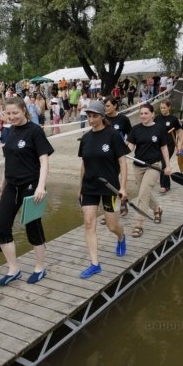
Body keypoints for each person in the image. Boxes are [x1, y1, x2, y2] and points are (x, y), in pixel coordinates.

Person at [0, 97, 54, 286]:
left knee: (32, 226)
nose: (12, 117)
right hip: (11, 184)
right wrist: (0, 188)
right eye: (8, 113)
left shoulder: (35, 131)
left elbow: (44, 160)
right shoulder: (7, 133)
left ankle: (40, 267)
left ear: (24, 110)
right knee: (1, 227)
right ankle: (13, 269)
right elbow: (9, 163)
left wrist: (41, 186)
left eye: (15, 113)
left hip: (31, 185)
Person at [78, 101, 130, 278]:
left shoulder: (113, 135)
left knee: (111, 225)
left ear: (102, 116)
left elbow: (123, 162)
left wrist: (123, 187)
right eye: (89, 116)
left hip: (110, 188)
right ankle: (95, 264)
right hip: (90, 186)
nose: (91, 120)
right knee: (89, 223)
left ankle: (121, 237)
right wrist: (80, 188)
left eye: (94, 116)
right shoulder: (85, 138)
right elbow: (84, 165)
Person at [126, 103, 171, 238]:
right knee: (143, 192)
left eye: (146, 113)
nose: (143, 116)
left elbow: (164, 148)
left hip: (154, 165)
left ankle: (138, 225)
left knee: (143, 194)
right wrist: (118, 150)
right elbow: (130, 148)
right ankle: (157, 209)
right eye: (141, 114)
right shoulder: (135, 129)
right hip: (138, 166)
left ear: (152, 114)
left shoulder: (159, 129)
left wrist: (167, 166)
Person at [104, 96, 132, 217]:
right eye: (105, 106)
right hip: (106, 154)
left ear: (115, 106)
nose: (106, 108)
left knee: (118, 180)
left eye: (108, 105)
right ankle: (110, 211)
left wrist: (127, 144)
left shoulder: (123, 119)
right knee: (109, 180)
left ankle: (123, 203)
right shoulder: (103, 118)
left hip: (119, 154)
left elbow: (131, 134)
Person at [154, 100, 183, 193]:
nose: (162, 110)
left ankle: (164, 185)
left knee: (164, 163)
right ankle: (167, 184)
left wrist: (180, 144)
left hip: (169, 144)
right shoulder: (157, 118)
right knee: (161, 163)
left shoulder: (173, 119)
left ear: (169, 107)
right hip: (159, 144)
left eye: (164, 108)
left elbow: (179, 131)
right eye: (161, 108)